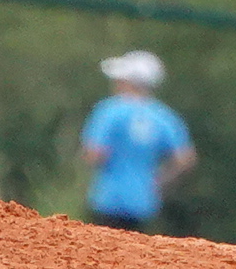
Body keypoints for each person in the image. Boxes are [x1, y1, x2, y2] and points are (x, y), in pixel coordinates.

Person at [79, 50, 195, 233]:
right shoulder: (163, 116)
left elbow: (95, 154)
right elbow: (185, 158)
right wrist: (158, 180)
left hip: (108, 199)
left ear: (127, 81)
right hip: (143, 203)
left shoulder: (109, 111)